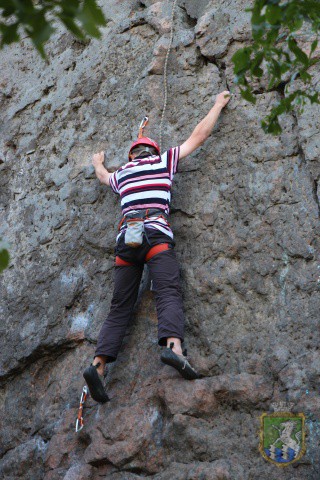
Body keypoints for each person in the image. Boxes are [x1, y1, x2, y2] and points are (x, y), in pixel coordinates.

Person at [83, 91, 231, 402]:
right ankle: (173, 348)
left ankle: (98, 366)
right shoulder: (164, 161)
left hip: (128, 237)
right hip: (154, 233)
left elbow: (101, 175)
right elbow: (199, 135)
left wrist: (97, 161)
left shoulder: (121, 175)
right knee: (167, 291)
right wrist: (217, 104)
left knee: (120, 307)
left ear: (132, 155)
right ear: (153, 151)